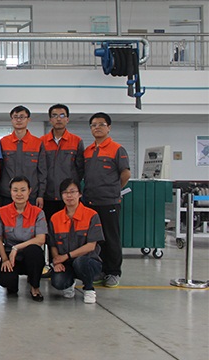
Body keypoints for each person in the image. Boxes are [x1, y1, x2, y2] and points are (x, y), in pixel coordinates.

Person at [83, 112, 131, 288]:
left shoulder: (117, 149)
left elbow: (125, 174)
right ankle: (100, 269)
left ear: (109, 127)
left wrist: (114, 190)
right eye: (94, 125)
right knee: (95, 239)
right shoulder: (88, 151)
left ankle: (113, 272)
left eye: (101, 124)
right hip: (89, 202)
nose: (97, 127)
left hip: (109, 202)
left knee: (111, 238)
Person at [49, 178, 104, 304]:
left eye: (72, 192)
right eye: (65, 192)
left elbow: (91, 246)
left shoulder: (92, 215)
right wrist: (57, 261)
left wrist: (66, 256)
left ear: (80, 194)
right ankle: (69, 283)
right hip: (66, 263)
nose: (69, 196)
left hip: (88, 261)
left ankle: (89, 289)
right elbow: (53, 244)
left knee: (80, 262)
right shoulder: (55, 218)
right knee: (58, 282)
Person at [0, 176, 47, 302]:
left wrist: (16, 247)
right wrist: (5, 259)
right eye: (15, 190)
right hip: (10, 256)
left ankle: (34, 287)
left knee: (34, 251)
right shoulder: (1, 212)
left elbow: (41, 239)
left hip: (30, 255)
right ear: (10, 191)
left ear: (29, 191)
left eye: (23, 190)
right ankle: (12, 285)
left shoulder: (38, 212)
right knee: (6, 280)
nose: (19, 194)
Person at [42, 104, 84, 222]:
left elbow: (81, 169)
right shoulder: (42, 142)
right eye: (54, 116)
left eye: (62, 115)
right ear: (50, 120)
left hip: (69, 197)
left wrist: (72, 188)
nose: (58, 119)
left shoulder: (76, 141)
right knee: (50, 227)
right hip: (48, 195)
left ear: (67, 119)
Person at [0, 105, 46, 208]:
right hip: (7, 195)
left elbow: (42, 172)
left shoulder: (37, 143)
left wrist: (41, 195)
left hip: (31, 195)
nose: (18, 120)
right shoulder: (3, 142)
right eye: (15, 117)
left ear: (28, 119)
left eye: (22, 117)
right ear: (11, 120)